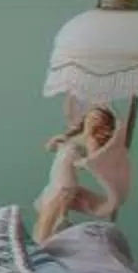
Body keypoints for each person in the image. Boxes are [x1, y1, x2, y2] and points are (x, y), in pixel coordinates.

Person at [33, 101, 130, 243]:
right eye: (91, 116)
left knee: (50, 215)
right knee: (47, 213)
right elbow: (50, 148)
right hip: (55, 180)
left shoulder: (91, 141)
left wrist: (80, 163)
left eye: (97, 119)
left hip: (65, 183)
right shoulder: (74, 136)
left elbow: (93, 162)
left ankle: (42, 243)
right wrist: (55, 142)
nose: (91, 120)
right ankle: (45, 241)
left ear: (102, 124)